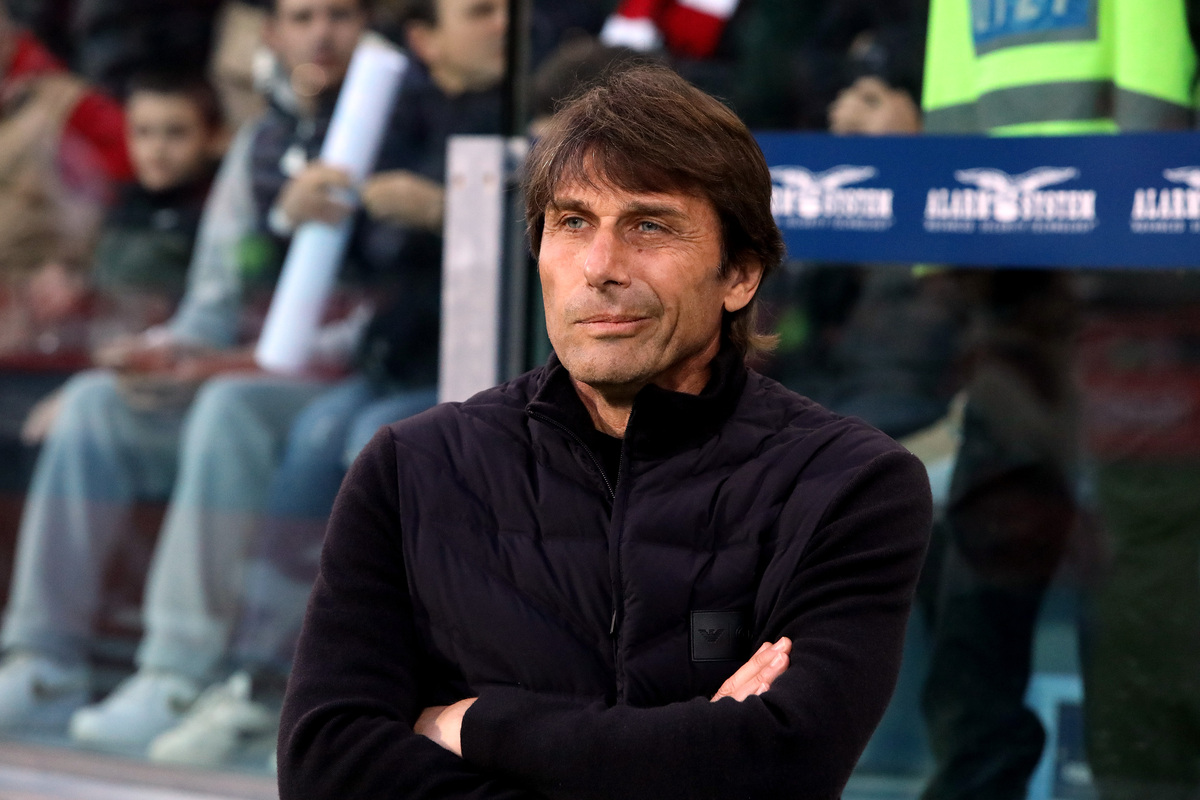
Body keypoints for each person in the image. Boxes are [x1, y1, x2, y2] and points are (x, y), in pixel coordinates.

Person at [278, 64, 932, 799]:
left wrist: (477, 727)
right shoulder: (412, 469)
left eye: (648, 225)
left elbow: (779, 764)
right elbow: (325, 767)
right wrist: (686, 753)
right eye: (572, 223)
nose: (600, 267)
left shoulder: (850, 485)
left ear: (740, 275)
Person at [0, 0, 403, 747]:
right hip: (238, 371)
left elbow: (383, 317)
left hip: (329, 386)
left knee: (229, 406)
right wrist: (163, 351)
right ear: (273, 34)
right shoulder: (260, 141)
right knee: (94, 401)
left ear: (369, 29)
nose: (321, 34)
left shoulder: (399, 127)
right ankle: (43, 659)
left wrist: (223, 359)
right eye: (303, 17)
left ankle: (178, 671)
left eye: (341, 16)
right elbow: (210, 305)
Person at [141, 0, 506, 768]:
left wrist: (449, 212)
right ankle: (230, 675)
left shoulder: (496, 109)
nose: (504, 23)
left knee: (358, 439)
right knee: (288, 424)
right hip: (382, 364)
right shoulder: (319, 125)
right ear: (425, 42)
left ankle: (342, 696)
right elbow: (344, 272)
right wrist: (292, 220)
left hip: (472, 375)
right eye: (480, 11)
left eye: (340, 15)